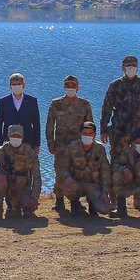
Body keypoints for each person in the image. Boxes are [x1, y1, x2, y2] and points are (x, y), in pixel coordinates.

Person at [45, 75, 94, 210]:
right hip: (60, 145)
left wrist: (89, 143)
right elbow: (50, 124)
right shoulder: (56, 103)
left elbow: (90, 125)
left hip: (79, 145)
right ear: (64, 87)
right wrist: (50, 142)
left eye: (73, 86)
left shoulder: (85, 104)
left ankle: (75, 201)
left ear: (78, 87)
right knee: (60, 171)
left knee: (77, 172)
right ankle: (59, 200)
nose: (70, 88)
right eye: (68, 85)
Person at [100, 55, 140, 163]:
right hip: (119, 130)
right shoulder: (115, 85)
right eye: (128, 65)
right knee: (118, 161)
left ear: (137, 67)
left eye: (134, 65)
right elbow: (106, 108)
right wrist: (103, 129)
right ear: (123, 67)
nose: (131, 67)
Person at [0, 124, 41, 219]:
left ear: (22, 137)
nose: (16, 138)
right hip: (6, 185)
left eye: (18, 136)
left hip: (23, 187)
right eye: (13, 136)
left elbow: (37, 177)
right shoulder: (1, 150)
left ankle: (16, 205)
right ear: (9, 136)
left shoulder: (29, 152)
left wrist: (35, 197)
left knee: (29, 209)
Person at [55, 121, 112, 217]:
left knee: (105, 209)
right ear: (80, 134)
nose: (87, 136)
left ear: (94, 135)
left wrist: (105, 192)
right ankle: (74, 203)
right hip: (76, 184)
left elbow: (105, 172)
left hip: (93, 186)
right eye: (84, 133)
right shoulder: (72, 147)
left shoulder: (100, 148)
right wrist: (67, 177)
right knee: (63, 182)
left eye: (90, 134)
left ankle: (92, 203)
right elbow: (64, 168)